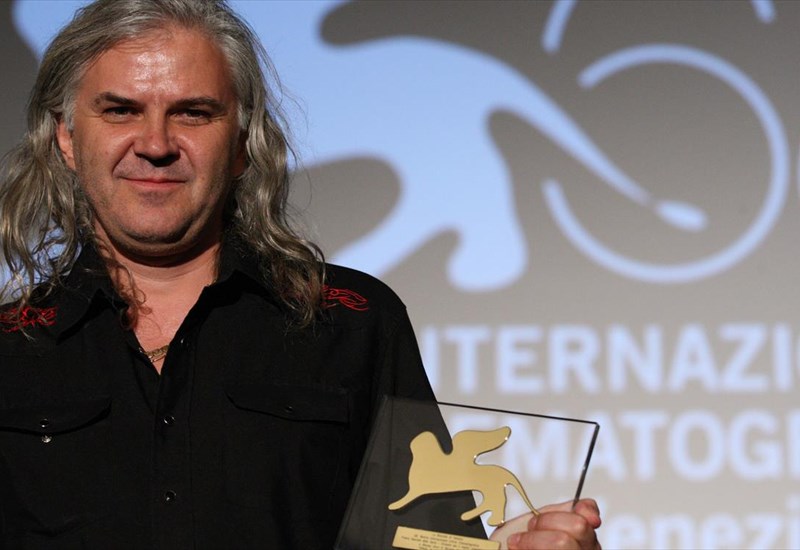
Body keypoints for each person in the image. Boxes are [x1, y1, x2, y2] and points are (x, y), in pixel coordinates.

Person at [0, 0, 601, 548]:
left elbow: (425, 541)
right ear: (67, 138)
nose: (156, 144)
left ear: (242, 144)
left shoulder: (353, 321)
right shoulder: (9, 350)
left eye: (194, 113)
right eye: (120, 110)